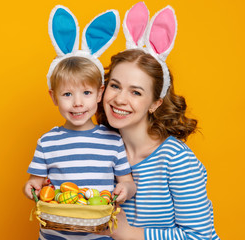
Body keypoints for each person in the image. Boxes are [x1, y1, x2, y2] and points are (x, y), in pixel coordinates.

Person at [95, 2, 220, 239]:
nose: (120, 99)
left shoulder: (176, 160)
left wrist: (131, 234)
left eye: (136, 92)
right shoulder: (99, 147)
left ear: (155, 103)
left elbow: (201, 236)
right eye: (115, 86)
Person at [24, 5, 136, 240]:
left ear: (99, 94)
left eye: (86, 93)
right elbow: (34, 183)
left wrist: (125, 189)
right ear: (54, 97)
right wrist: (30, 188)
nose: (77, 103)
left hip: (100, 233)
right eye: (67, 95)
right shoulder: (47, 141)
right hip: (54, 233)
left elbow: (127, 181)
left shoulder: (113, 140)